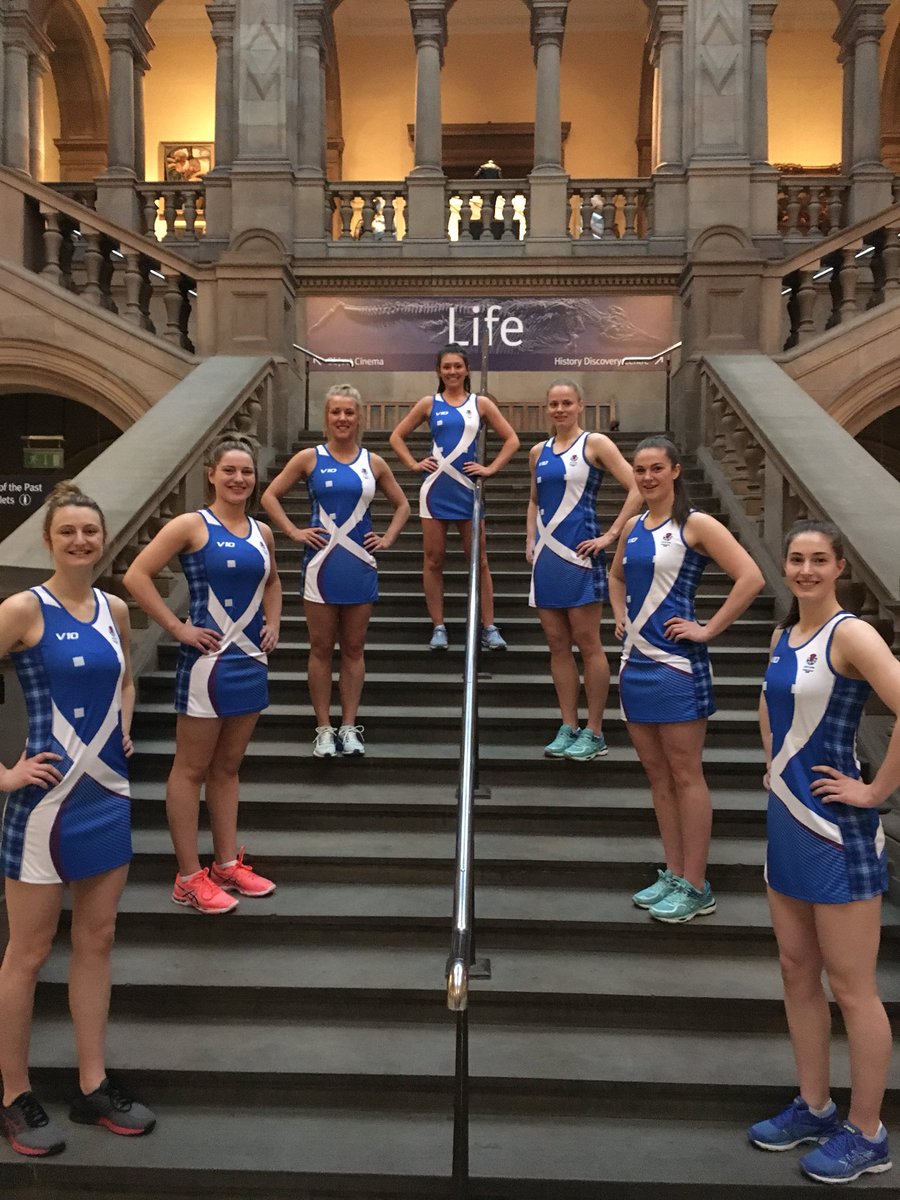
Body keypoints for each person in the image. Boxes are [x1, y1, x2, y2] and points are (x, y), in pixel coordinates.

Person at [0, 482, 155, 1158]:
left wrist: (121, 725)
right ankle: (12, 1094)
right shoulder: (21, 610)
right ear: (49, 539)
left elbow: (123, 680)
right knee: (29, 953)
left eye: (90, 531)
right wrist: (3, 774)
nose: (82, 542)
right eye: (69, 532)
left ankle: (92, 1086)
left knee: (98, 940)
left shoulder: (116, 609)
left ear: (103, 537)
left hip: (107, 798)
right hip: (41, 809)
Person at [746, 520, 898, 1185]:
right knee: (794, 968)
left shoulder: (852, 634)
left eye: (818, 560)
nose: (805, 569)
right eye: (796, 559)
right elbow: (767, 703)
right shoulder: (785, 635)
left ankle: (868, 1133)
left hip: (838, 830)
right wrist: (771, 765)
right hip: (787, 821)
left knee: (854, 989)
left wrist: (875, 792)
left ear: (839, 567)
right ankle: (814, 1104)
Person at [609, 436, 764, 922]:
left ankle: (697, 883)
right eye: (640, 470)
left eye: (657, 468)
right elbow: (615, 577)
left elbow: (751, 576)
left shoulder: (695, 524)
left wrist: (708, 628)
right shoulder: (633, 525)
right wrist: (619, 616)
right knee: (657, 777)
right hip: (635, 664)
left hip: (677, 666)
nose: (647, 477)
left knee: (685, 774)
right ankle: (675, 872)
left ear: (676, 470)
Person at [123, 438, 282, 915]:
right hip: (207, 664)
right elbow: (136, 575)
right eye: (229, 470)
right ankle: (189, 876)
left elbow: (272, 582)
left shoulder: (262, 531)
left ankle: (226, 864)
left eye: (247, 472)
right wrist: (176, 628)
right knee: (191, 769)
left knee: (229, 768)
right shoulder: (191, 525)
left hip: (250, 659)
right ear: (211, 474)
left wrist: (274, 622)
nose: (239, 479)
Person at [261, 384, 410, 758]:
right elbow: (268, 496)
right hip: (321, 565)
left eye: (349, 412)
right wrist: (294, 531)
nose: (342, 418)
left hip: (359, 563)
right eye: (335, 412)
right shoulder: (310, 457)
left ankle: (349, 726)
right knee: (322, 647)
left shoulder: (373, 462)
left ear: (359, 417)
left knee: (355, 647)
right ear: (327, 417)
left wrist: (388, 538)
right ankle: (324, 728)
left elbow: (403, 505)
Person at [525, 379, 641, 762]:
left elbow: (637, 488)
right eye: (553, 403)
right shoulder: (537, 451)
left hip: (581, 555)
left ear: (580, 406)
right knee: (557, 645)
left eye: (566, 403)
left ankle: (595, 730)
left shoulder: (595, 444)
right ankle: (568, 725)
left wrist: (610, 535)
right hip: (547, 558)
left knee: (588, 642)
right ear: (548, 408)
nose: (560, 409)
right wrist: (530, 540)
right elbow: (534, 500)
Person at [389, 344, 520, 652]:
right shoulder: (428, 403)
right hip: (435, 488)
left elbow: (512, 439)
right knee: (433, 560)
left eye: (457, 366)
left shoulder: (481, 404)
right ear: (439, 371)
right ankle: (439, 626)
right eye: (446, 367)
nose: (451, 371)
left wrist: (490, 469)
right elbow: (396, 436)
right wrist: (412, 464)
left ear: (466, 370)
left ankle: (489, 626)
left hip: (467, 489)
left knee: (480, 560)